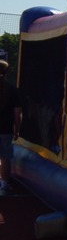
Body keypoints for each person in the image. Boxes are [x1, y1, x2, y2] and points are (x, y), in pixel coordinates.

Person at [0, 59, 22, 195]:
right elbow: (18, 113)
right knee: (5, 157)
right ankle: (4, 185)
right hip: (5, 128)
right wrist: (17, 130)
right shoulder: (12, 89)